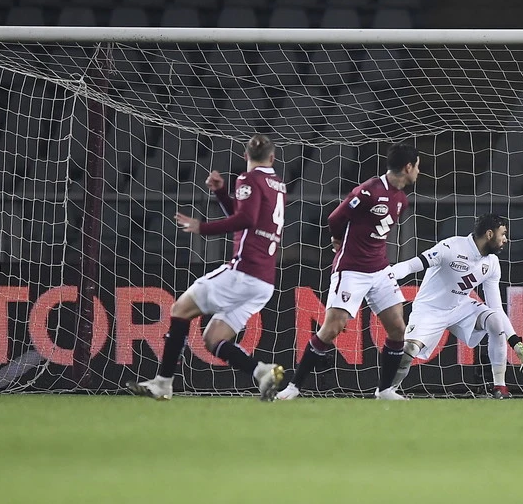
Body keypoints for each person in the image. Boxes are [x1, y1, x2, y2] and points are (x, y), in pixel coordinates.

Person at [127, 135, 286, 401]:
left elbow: (244, 219)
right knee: (214, 339)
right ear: (272, 158)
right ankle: (261, 372)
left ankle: (163, 383)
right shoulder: (277, 185)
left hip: (244, 271)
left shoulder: (249, 179)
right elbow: (246, 215)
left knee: (180, 310)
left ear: (246, 157)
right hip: (264, 281)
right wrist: (222, 193)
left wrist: (203, 228)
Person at [277, 144, 420, 400]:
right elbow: (335, 218)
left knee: (398, 328)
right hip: (351, 269)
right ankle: (293, 387)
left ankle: (385, 390)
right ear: (408, 167)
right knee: (332, 328)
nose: (418, 172)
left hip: (379, 269)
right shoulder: (369, 190)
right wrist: (337, 239)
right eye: (417, 166)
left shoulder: (401, 200)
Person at [386, 213, 523, 399]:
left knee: (494, 320)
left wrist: (516, 343)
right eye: (503, 234)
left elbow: (496, 308)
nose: (506, 239)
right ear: (489, 234)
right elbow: (410, 266)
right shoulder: (451, 247)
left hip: (460, 307)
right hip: (430, 309)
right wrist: (383, 277)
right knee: (409, 351)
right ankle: (386, 391)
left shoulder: (492, 263)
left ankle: (500, 387)